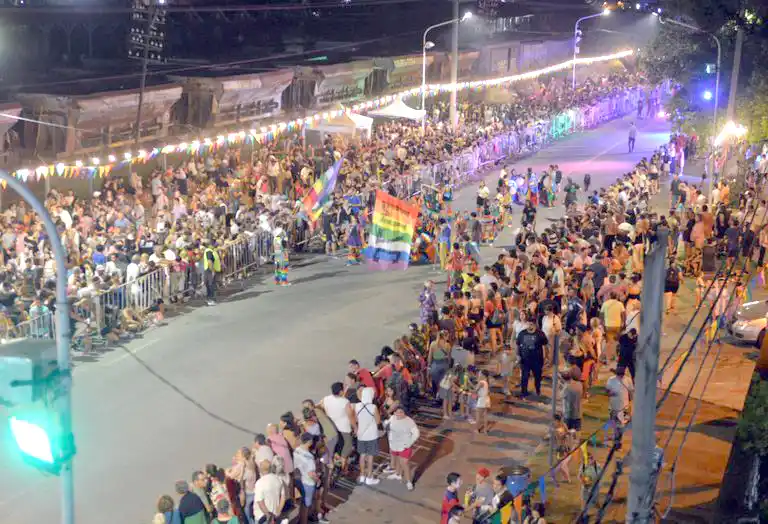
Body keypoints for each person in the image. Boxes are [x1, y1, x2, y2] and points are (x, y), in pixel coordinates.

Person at [320, 382, 356, 473]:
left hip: (332, 428)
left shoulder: (326, 399)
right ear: (340, 392)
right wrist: (355, 427)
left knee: (339, 446)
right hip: (344, 428)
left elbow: (319, 406)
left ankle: (337, 462)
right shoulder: (345, 402)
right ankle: (343, 465)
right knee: (348, 446)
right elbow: (350, 416)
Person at [385, 406, 419, 490]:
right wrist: (385, 424)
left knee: (404, 464)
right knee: (397, 460)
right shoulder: (392, 418)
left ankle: (409, 482)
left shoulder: (409, 421)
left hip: (404, 446)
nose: (399, 414)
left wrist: (409, 443)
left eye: (401, 412)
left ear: (404, 413)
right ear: (394, 413)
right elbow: (387, 425)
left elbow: (416, 434)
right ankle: (398, 474)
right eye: (397, 412)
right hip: (394, 445)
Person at [353, 386, 381, 486]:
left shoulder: (357, 406)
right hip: (371, 435)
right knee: (370, 457)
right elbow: (378, 421)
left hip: (361, 435)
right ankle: (369, 477)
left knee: (362, 455)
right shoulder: (373, 407)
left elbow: (356, 419)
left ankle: (362, 475)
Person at [516, 321, 548, 399]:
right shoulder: (522, 333)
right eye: (528, 324)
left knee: (537, 376)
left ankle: (537, 390)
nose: (530, 326)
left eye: (531, 324)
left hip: (537, 360)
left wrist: (546, 356)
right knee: (524, 376)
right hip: (525, 360)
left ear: (535, 324)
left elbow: (545, 346)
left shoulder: (540, 334)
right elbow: (517, 345)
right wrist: (518, 355)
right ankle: (524, 392)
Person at [605, 366, 634, 444]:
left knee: (621, 425)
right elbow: (607, 391)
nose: (620, 376)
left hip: (624, 407)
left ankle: (618, 441)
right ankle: (615, 437)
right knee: (614, 423)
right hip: (613, 407)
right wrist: (610, 393)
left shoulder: (628, 380)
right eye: (619, 374)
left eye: (621, 374)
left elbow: (631, 392)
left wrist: (631, 404)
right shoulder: (611, 379)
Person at [202, 240, 222, 306]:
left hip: (211, 270)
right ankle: (210, 299)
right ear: (209, 245)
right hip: (209, 270)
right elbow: (209, 261)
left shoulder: (212, 250)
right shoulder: (209, 251)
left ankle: (210, 299)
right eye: (213, 244)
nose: (214, 245)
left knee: (211, 284)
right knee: (210, 285)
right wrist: (212, 270)